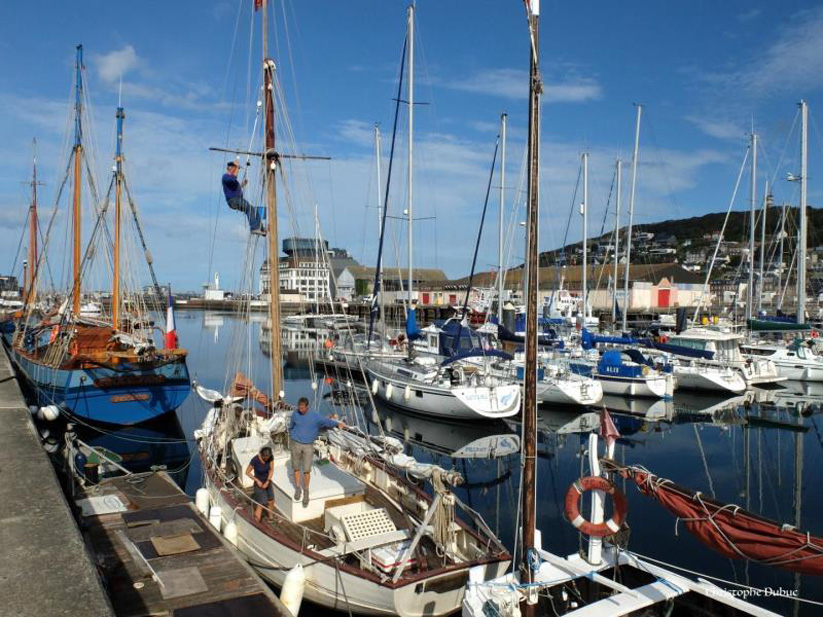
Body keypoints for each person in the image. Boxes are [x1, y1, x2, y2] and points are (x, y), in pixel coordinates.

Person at [289, 396, 345, 507]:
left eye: (302, 408)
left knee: (306, 470)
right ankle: (297, 488)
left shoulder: (315, 416)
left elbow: (326, 421)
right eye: (299, 407)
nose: (300, 409)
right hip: (295, 443)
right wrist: (292, 435)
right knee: (296, 468)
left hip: (308, 446)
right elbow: (291, 426)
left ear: (307, 407)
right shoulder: (295, 414)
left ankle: (306, 491)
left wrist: (337, 424)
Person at [222, 161, 266, 235]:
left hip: (237, 199)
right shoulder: (225, 177)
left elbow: (235, 187)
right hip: (233, 200)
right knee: (249, 208)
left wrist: (242, 184)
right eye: (233, 168)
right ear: (231, 169)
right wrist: (237, 168)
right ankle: (254, 228)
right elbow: (233, 180)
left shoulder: (231, 179)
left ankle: (261, 229)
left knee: (253, 210)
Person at [246, 446, 274, 522]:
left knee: (271, 500)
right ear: (262, 455)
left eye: (269, 456)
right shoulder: (255, 460)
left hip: (267, 481)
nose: (267, 458)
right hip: (259, 484)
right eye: (266, 457)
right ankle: (256, 521)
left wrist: (268, 481)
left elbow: (271, 470)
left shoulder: (271, 458)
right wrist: (257, 480)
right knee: (262, 502)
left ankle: (271, 517)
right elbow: (247, 472)